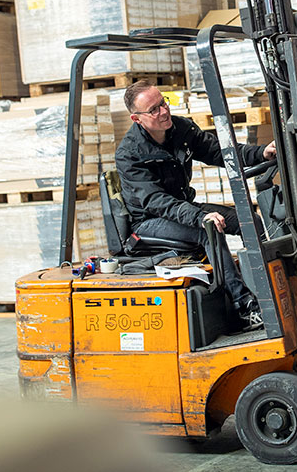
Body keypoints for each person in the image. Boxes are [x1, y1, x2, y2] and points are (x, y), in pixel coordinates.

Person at [114, 79, 276, 330]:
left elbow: (220, 153)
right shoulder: (130, 154)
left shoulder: (181, 129)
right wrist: (199, 216)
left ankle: (271, 289)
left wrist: (261, 152)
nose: (164, 111)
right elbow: (157, 202)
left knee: (249, 220)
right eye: (154, 110)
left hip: (180, 207)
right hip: (148, 222)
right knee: (208, 230)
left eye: (163, 103)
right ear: (137, 119)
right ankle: (244, 306)